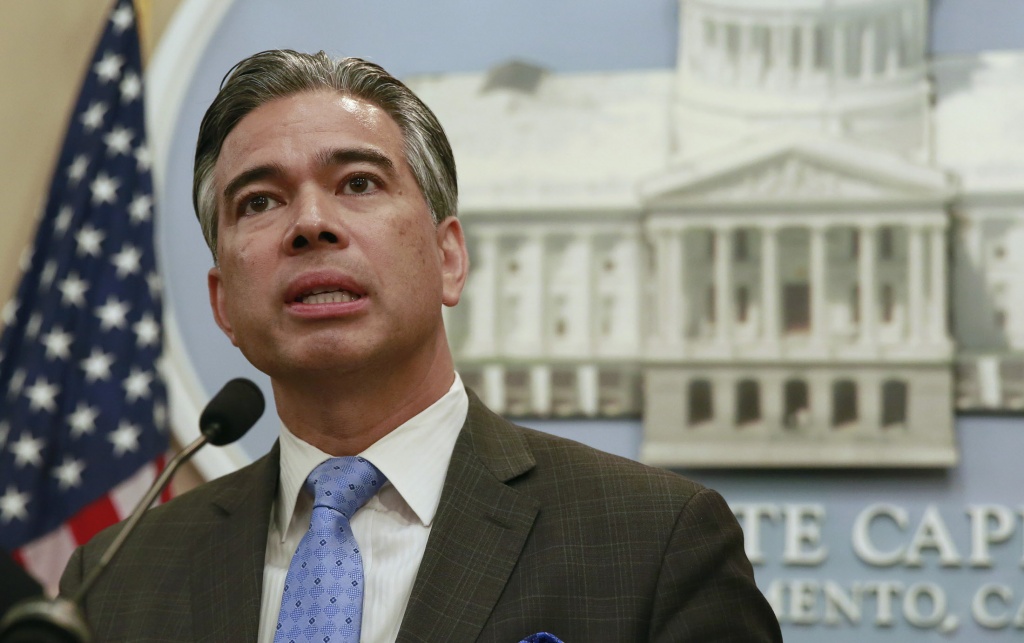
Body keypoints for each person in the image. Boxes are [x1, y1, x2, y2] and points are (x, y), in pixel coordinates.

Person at [60, 50, 781, 642]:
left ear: (449, 258)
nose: (310, 223)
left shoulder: (651, 542)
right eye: (260, 201)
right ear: (223, 302)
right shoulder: (117, 581)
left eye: (359, 183)